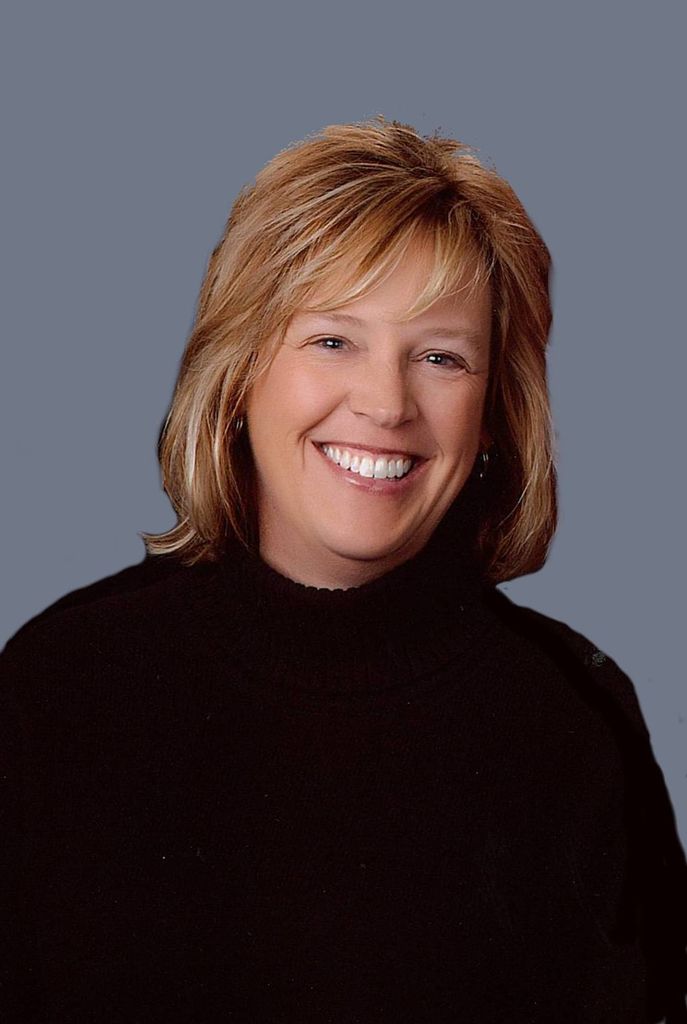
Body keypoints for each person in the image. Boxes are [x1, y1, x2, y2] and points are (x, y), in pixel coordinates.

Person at [1, 117, 685, 1023]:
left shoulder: (571, 720)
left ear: (492, 413)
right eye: (333, 340)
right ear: (240, 372)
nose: (386, 403)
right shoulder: (57, 687)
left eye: (439, 357)